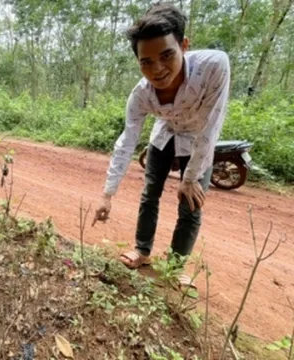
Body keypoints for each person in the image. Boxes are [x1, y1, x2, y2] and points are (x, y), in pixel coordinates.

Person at [92, 3, 230, 285]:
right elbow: (126, 141)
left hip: (198, 140)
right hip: (164, 134)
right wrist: (107, 194)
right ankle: (142, 250)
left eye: (167, 55)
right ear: (138, 62)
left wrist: (190, 177)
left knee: (191, 203)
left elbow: (212, 126)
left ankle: (176, 267)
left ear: (184, 46)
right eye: (146, 62)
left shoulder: (215, 66)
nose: (158, 69)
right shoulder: (140, 95)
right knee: (149, 193)